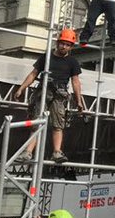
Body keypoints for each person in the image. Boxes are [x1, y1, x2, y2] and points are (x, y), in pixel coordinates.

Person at [14, 28, 84, 164]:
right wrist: (21, 89)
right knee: (37, 122)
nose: (64, 47)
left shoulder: (72, 62)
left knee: (58, 124)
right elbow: (33, 74)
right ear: (58, 43)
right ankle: (28, 152)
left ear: (71, 47)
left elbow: (75, 82)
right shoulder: (47, 57)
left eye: (68, 45)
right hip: (43, 91)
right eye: (63, 43)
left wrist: (79, 100)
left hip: (59, 94)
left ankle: (57, 152)